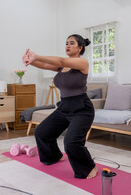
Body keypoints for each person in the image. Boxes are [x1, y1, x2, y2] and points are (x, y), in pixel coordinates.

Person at [22, 34, 97, 179]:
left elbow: (60, 60)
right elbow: (45, 65)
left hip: (81, 109)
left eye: (72, 43)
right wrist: (31, 61)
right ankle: (54, 156)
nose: (67, 46)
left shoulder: (83, 63)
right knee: (41, 132)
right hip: (64, 107)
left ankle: (88, 168)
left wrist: (37, 56)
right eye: (66, 43)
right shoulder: (62, 67)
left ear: (80, 48)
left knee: (71, 142)